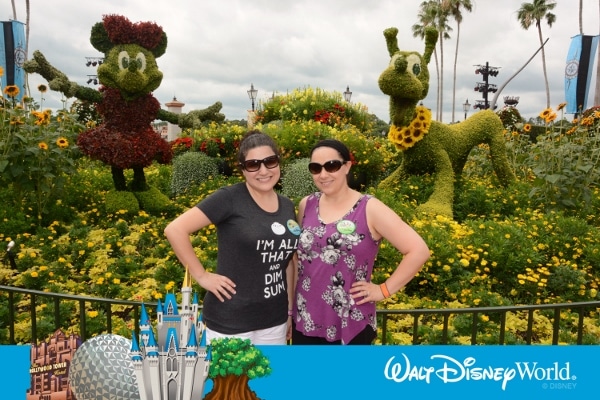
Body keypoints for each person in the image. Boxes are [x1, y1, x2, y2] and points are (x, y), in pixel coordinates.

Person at [164, 130, 300, 345]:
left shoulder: (287, 205)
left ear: (278, 163)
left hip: (274, 320)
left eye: (270, 161)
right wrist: (201, 276)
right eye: (253, 164)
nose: (263, 170)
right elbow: (175, 229)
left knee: (268, 379)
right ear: (243, 169)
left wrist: (290, 311)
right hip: (231, 321)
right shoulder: (229, 198)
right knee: (230, 380)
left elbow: (289, 262)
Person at [292, 139, 430, 345]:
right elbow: (298, 260)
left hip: (350, 321)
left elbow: (418, 250)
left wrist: (383, 290)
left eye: (332, 166)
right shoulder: (307, 204)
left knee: (350, 377)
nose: (323, 174)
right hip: (306, 318)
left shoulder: (369, 208)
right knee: (308, 378)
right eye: (315, 168)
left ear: (347, 166)